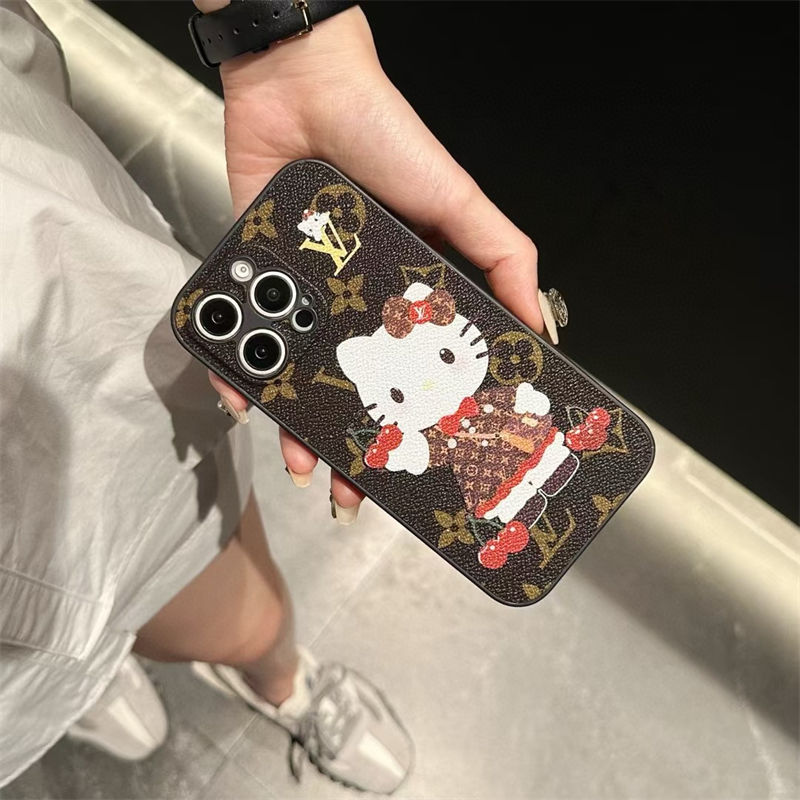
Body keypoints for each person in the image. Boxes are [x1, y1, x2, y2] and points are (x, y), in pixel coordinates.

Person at [0, 0, 543, 792]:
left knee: (225, 587)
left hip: (59, 321)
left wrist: (278, 35)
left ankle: (277, 677)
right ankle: (88, 674)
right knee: (69, 635)